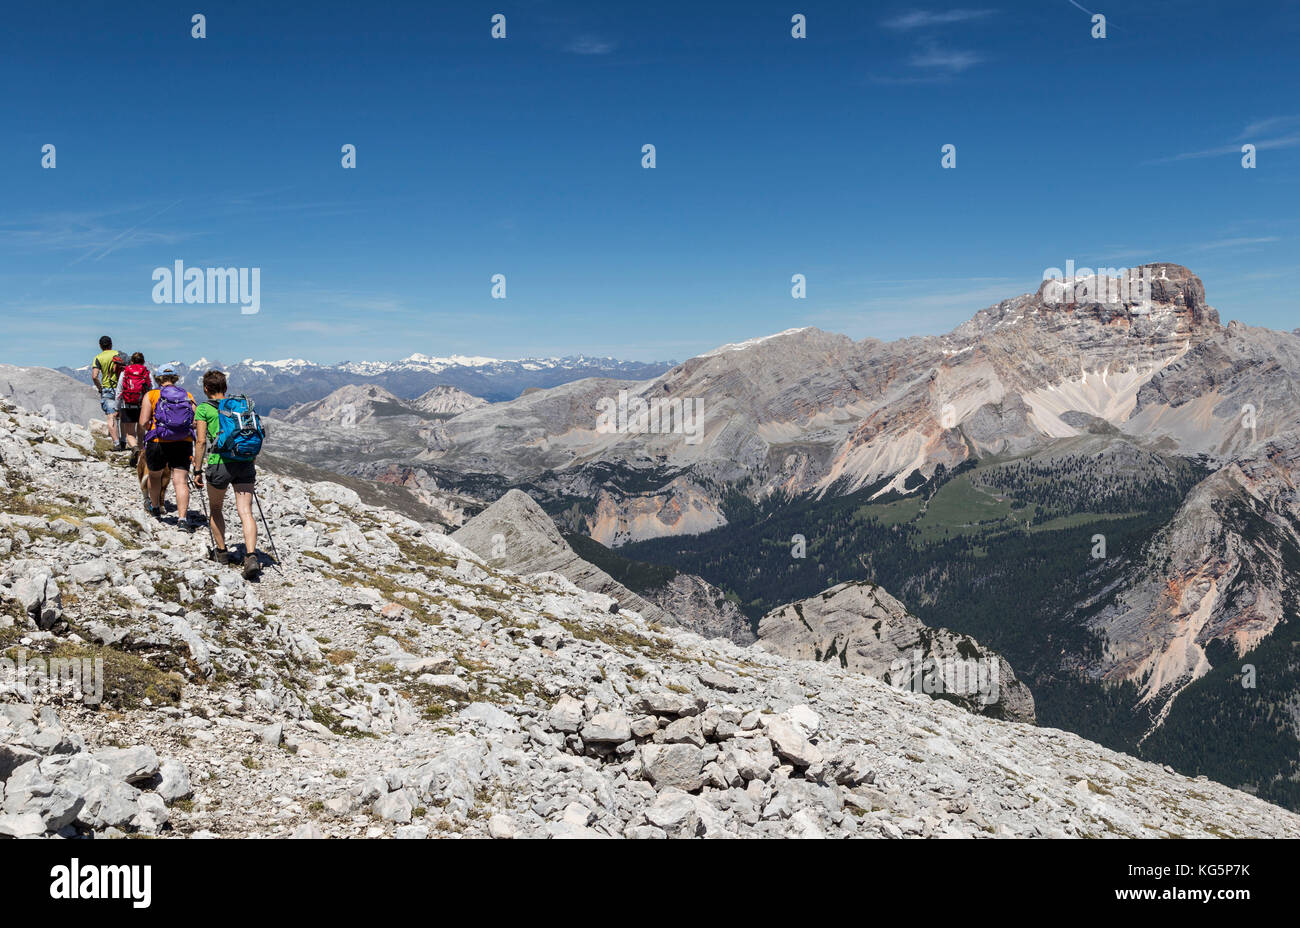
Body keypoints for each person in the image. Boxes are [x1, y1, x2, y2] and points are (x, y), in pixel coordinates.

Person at [193, 370, 261, 579]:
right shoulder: (238, 407)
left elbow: (201, 441)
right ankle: (251, 556)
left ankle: (221, 553)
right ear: (225, 388)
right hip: (244, 462)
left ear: (206, 388)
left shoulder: (204, 409)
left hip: (219, 463)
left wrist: (197, 469)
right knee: (246, 511)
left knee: (215, 508)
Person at [138, 363, 197, 530]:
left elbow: (143, 422)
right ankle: (182, 519)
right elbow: (194, 421)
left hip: (157, 441)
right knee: (180, 481)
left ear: (158, 379)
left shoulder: (151, 395)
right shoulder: (187, 395)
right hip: (183, 442)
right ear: (175, 378)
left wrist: (152, 425)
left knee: (155, 476)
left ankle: (155, 509)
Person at [117, 352, 152, 468]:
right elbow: (152, 390)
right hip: (143, 406)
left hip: (127, 405)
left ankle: (134, 448)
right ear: (143, 361)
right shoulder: (147, 373)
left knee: (130, 433)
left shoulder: (125, 372)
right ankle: (141, 460)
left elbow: (119, 390)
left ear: (131, 361)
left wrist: (117, 408)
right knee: (141, 434)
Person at [90, 336, 125, 450]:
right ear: (111, 344)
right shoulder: (119, 354)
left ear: (100, 346)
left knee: (111, 417)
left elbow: (94, 376)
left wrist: (100, 388)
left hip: (107, 389)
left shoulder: (98, 358)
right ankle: (124, 441)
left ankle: (116, 444)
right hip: (122, 389)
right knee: (123, 416)